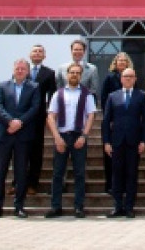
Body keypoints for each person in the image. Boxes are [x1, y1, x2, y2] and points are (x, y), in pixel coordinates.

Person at [0, 58, 41, 219]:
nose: (20, 71)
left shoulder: (34, 87)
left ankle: (19, 206)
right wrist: (10, 121)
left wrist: (20, 122)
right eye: (17, 68)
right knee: (0, 172)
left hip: (23, 136)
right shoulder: (3, 85)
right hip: (5, 134)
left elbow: (35, 107)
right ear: (13, 69)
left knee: (21, 172)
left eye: (23, 69)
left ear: (27, 71)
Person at [44, 62, 96, 218]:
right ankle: (55, 206)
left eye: (77, 73)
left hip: (78, 135)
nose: (74, 75)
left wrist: (84, 136)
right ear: (67, 75)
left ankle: (79, 207)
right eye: (71, 72)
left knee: (79, 173)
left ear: (81, 75)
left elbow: (91, 116)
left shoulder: (87, 94)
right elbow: (51, 116)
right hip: (62, 136)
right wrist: (57, 137)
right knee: (58, 173)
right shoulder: (58, 94)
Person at [102, 66, 145, 218]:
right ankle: (117, 206)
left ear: (135, 79)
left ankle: (129, 206)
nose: (128, 79)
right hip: (116, 141)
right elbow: (106, 120)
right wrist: (106, 141)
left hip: (134, 141)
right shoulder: (112, 96)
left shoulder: (141, 96)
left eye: (131, 76)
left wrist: (143, 140)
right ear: (121, 79)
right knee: (116, 174)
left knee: (131, 174)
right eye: (125, 76)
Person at [22, 44, 57, 197]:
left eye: (40, 51)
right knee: (20, 151)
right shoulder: (22, 70)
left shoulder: (49, 73)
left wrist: (49, 113)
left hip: (38, 117)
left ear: (44, 56)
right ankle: (17, 183)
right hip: (22, 116)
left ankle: (32, 184)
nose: (37, 53)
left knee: (36, 151)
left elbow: (53, 94)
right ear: (30, 54)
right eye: (35, 51)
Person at [100, 52, 133, 195]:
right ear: (115, 62)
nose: (122, 62)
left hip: (128, 122)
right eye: (119, 60)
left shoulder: (132, 77)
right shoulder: (109, 77)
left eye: (124, 61)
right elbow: (103, 98)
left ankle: (126, 185)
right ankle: (110, 184)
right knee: (110, 156)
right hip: (112, 120)